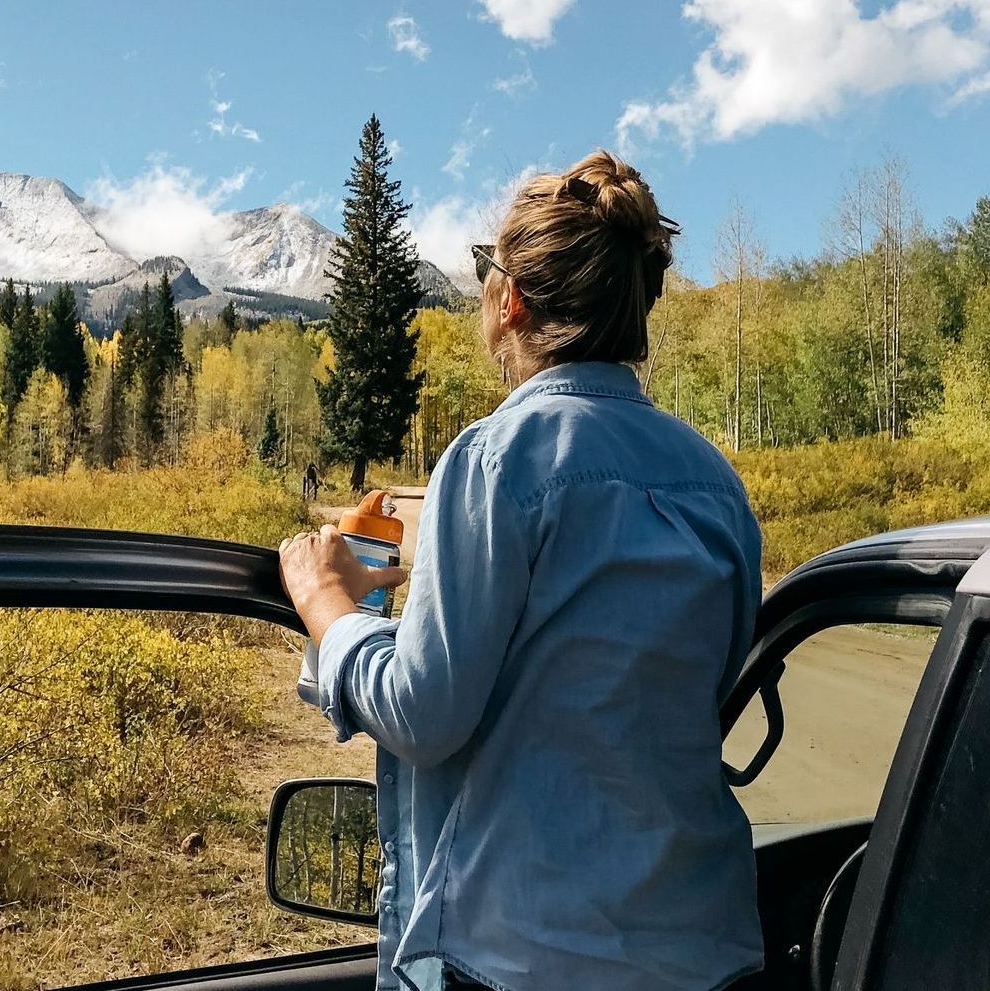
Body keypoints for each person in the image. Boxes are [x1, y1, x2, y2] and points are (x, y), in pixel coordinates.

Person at [278, 150, 763, 991]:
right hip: (706, 949)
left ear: (511, 300)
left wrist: (327, 603)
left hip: (532, 957)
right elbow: (687, 700)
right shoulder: (715, 482)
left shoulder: (496, 458)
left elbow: (425, 712)